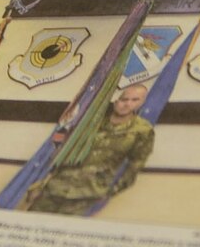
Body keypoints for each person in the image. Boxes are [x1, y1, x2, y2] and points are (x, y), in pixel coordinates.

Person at [27, 80, 155, 216]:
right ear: (116, 100)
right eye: (124, 99)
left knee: (65, 232)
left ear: (141, 103)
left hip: (86, 194)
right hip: (55, 187)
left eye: (134, 100)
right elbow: (61, 151)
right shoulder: (91, 121)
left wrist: (111, 190)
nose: (127, 104)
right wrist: (41, 185)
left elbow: (135, 165)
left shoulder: (143, 130)